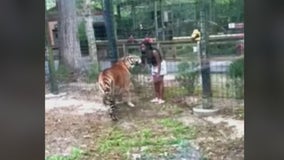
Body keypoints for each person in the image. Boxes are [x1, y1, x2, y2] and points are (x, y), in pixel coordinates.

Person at [141, 38, 167, 104]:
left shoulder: (154, 52)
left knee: (160, 81)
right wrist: (143, 67)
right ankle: (156, 97)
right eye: (141, 46)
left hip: (160, 65)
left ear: (147, 46)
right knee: (155, 82)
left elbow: (159, 63)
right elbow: (145, 63)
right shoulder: (145, 53)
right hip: (154, 66)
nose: (142, 48)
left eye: (143, 46)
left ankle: (161, 99)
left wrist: (158, 73)